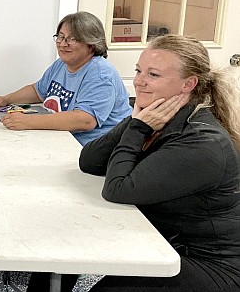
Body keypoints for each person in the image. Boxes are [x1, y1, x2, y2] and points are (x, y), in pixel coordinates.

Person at [79, 35, 240, 291]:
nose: (139, 81)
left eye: (153, 75)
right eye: (138, 70)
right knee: (74, 254)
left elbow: (118, 189)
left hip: (211, 264)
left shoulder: (203, 142)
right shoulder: (158, 115)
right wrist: (136, 123)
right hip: (168, 241)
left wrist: (137, 127)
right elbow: (89, 161)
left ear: (189, 84)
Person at [0, 11, 131, 146]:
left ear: (91, 45)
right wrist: (7, 99)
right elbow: (37, 91)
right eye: (60, 37)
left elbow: (85, 120)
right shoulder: (61, 64)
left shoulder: (101, 75)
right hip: (62, 139)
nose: (62, 44)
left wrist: (27, 121)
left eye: (72, 39)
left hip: (91, 149)